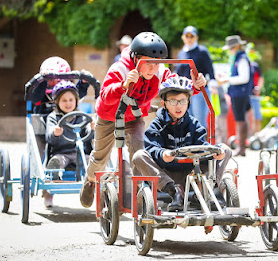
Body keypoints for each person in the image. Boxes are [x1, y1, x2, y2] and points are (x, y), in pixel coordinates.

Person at [79, 32, 207, 208]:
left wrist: (195, 85)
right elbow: (105, 95)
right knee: (100, 157)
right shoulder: (121, 68)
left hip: (134, 116)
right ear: (136, 58)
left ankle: (140, 192)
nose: (153, 68)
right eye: (148, 63)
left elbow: (176, 86)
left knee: (139, 153)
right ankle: (91, 180)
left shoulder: (159, 71)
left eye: (157, 63)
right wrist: (123, 85)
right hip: (110, 116)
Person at [132, 76, 232, 211]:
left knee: (224, 149)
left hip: (193, 174)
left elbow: (202, 146)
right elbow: (151, 148)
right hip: (168, 176)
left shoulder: (193, 123)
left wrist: (215, 154)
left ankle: (210, 189)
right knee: (139, 155)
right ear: (164, 104)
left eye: (183, 101)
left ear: (188, 103)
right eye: (173, 101)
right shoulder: (157, 125)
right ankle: (175, 192)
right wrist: (163, 153)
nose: (178, 106)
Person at [44, 81, 95, 207]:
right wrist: (55, 133)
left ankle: (96, 188)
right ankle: (52, 181)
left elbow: (88, 135)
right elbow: (49, 137)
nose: (68, 103)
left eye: (71, 100)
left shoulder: (82, 117)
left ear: (76, 101)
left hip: (81, 152)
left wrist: (92, 129)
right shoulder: (53, 117)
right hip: (62, 153)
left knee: (94, 162)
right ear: (57, 102)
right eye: (64, 100)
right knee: (57, 161)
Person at [218, 35, 253, 156]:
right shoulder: (238, 58)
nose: (230, 50)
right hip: (239, 93)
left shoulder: (241, 58)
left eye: (231, 48)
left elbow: (244, 78)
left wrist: (226, 79)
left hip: (240, 93)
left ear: (237, 46)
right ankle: (242, 146)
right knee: (241, 120)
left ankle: (241, 147)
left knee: (240, 120)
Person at [174, 26, 215, 129]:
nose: (189, 38)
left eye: (191, 36)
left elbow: (210, 70)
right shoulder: (181, 53)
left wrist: (213, 84)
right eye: (187, 36)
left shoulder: (202, 51)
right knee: (186, 120)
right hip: (184, 91)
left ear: (196, 37)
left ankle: (201, 144)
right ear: (183, 37)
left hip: (199, 91)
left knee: (199, 121)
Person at [249, 61, 264, 135]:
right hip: (245, 96)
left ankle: (257, 135)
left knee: (257, 117)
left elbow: (261, 77)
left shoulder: (254, 65)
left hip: (254, 96)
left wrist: (259, 88)